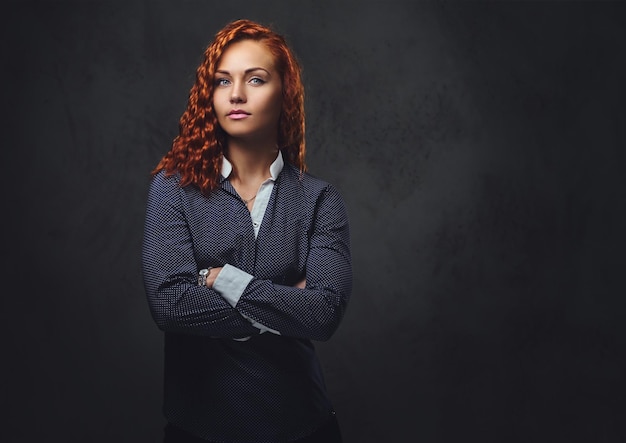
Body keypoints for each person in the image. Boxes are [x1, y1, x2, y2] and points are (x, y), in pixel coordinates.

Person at [141, 18, 353, 443]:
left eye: (255, 79)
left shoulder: (319, 200)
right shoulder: (173, 188)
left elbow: (324, 313)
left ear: (285, 92)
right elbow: (170, 305)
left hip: (302, 426)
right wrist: (286, 303)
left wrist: (225, 280)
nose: (236, 94)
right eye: (222, 82)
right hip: (197, 429)